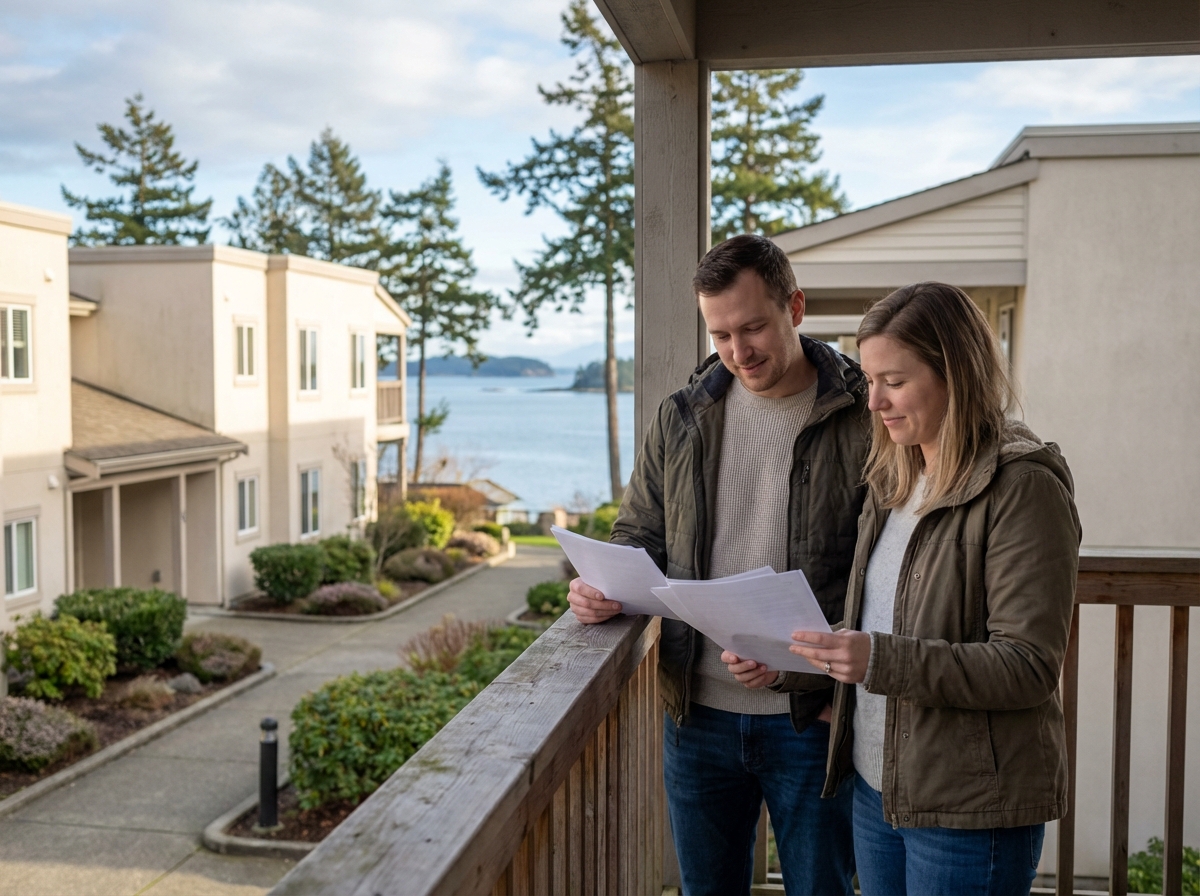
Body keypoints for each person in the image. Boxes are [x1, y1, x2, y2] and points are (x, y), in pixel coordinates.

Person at [567, 234, 869, 896]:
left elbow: (888, 570)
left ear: (795, 307)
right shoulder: (681, 415)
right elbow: (638, 533)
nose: (738, 351)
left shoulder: (864, 413)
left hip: (810, 720)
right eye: (721, 333)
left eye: (753, 327)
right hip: (697, 718)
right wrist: (599, 589)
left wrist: (814, 675)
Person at [781, 281, 1081, 895]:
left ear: (957, 374)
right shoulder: (898, 473)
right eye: (868, 381)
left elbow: (1028, 666)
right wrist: (818, 650)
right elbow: (890, 619)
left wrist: (878, 659)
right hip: (876, 789)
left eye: (894, 381)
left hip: (968, 809)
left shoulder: (1022, 488)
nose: (874, 402)